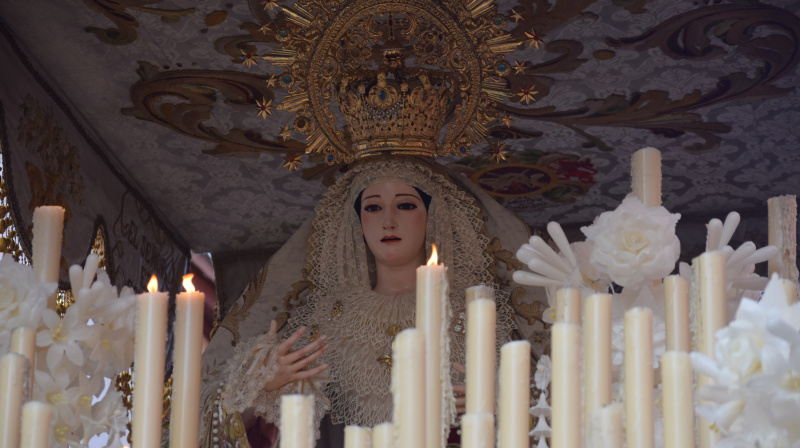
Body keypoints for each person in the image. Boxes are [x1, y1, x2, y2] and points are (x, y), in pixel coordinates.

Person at [198, 156, 536, 448]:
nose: (388, 221)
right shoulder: (324, 323)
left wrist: (502, 401)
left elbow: (546, 414)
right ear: (357, 220)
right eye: (373, 207)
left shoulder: (477, 316)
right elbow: (227, 428)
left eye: (406, 204)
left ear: (431, 215)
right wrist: (265, 384)